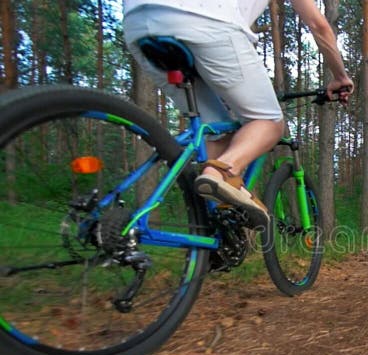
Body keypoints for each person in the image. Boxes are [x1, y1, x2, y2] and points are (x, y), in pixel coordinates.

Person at [122, 0, 354, 223]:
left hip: (137, 23)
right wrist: (340, 77)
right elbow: (318, 24)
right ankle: (223, 171)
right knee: (269, 121)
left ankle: (208, 232)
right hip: (203, 18)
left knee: (216, 131)